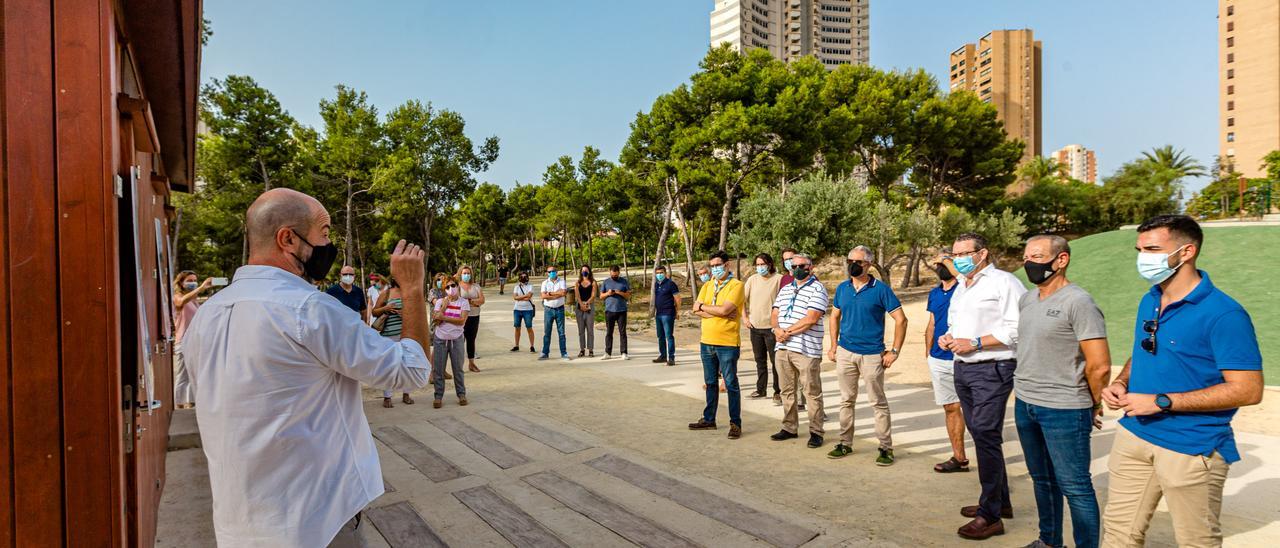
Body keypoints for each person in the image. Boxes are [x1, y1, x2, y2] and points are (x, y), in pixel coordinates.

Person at [182, 188, 430, 547]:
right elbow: (411, 371)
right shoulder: (310, 310)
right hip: (316, 521)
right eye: (325, 233)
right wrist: (412, 289)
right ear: (288, 239)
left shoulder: (206, 316)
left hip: (239, 524)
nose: (329, 246)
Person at [1100, 215, 1264, 548]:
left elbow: (1248, 389)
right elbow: (1145, 351)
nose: (1142, 257)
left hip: (1192, 448)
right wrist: (1122, 381)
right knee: (1118, 535)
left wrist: (1161, 401)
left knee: (1196, 541)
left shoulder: (1225, 314)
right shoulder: (1150, 299)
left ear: (1186, 251)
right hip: (1134, 436)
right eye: (1140, 249)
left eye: (1152, 249)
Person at [1011, 235, 1112, 548]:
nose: (1030, 262)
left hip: (1065, 408)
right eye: (1027, 256)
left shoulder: (1079, 302)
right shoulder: (1027, 299)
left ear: (1061, 260)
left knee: (1075, 486)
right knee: (1042, 479)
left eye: (1038, 256)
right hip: (1026, 403)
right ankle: (1049, 541)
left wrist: (1093, 404)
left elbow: (1100, 366)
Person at [938, 232, 1028, 541]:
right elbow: (955, 325)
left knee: (987, 436)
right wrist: (948, 337)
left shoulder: (1004, 283)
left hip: (993, 368)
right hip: (963, 368)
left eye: (965, 252)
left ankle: (989, 516)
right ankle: (999, 502)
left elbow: (1018, 328)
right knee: (981, 435)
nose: (959, 258)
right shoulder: (963, 286)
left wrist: (975, 342)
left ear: (983, 253)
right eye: (955, 253)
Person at [825, 246, 907, 465]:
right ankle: (845, 443)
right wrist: (834, 346)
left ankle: (885, 448)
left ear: (869, 264)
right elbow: (834, 317)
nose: (853, 264)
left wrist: (894, 351)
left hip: (872, 354)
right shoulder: (843, 288)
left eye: (858, 262)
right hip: (845, 352)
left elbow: (901, 319)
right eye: (850, 260)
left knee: (877, 402)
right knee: (846, 400)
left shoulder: (881, 290)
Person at [769, 252, 829, 449]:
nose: (797, 269)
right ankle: (789, 427)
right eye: (793, 266)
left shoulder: (818, 289)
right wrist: (776, 330)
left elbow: (811, 318)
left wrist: (786, 331)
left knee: (811, 392)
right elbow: (775, 312)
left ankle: (816, 431)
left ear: (810, 267)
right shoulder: (785, 289)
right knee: (787, 390)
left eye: (802, 266)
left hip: (805, 349)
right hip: (782, 347)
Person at [687, 250, 746, 439]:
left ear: (727, 265)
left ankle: (735, 423)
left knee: (730, 383)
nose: (715, 269)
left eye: (718, 265)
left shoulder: (736, 286)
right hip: (707, 342)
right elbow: (696, 308)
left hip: (727, 343)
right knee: (710, 382)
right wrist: (714, 311)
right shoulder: (708, 285)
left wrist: (705, 308)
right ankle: (709, 418)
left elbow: (726, 309)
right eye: (712, 266)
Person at [925, 254, 969, 473]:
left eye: (945, 264)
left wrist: (948, 260)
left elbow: (965, 278)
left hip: (963, 357)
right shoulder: (934, 293)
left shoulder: (964, 288)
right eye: (938, 265)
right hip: (938, 359)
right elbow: (932, 324)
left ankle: (991, 463)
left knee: (974, 412)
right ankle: (959, 458)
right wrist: (928, 354)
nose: (941, 267)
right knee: (951, 408)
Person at [743, 253, 783, 402]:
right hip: (755, 326)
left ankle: (778, 391)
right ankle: (761, 389)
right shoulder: (752, 280)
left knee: (775, 361)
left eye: (763, 264)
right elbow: (742, 300)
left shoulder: (778, 279)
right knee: (760, 360)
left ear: (770, 264)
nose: (760, 267)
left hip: (771, 328)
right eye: (758, 265)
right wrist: (745, 318)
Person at [372, 277, 416, 409]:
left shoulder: (409, 293)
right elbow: (374, 312)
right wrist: (386, 308)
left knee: (407, 365)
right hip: (388, 336)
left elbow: (415, 313)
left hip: (406, 334)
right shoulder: (386, 293)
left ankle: (406, 394)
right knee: (389, 366)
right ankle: (387, 396)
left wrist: (406, 314)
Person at [172, 270, 213, 409]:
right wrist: (201, 287)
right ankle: (179, 404)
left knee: (193, 373)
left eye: (194, 280)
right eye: (189, 280)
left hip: (194, 341)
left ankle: (190, 402)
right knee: (183, 374)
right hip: (182, 340)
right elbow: (181, 302)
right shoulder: (177, 297)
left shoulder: (194, 300)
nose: (193, 283)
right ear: (181, 283)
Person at [431, 274, 471, 408]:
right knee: (438, 369)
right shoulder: (439, 302)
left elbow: (461, 321)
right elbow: (436, 321)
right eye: (447, 287)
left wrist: (444, 317)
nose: (451, 288)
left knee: (458, 369)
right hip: (440, 340)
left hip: (456, 340)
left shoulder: (463, 302)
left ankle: (461, 394)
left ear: (457, 286)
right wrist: (444, 306)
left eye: (453, 285)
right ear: (444, 289)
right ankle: (438, 396)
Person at [538, 264, 570, 361]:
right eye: (549, 272)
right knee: (547, 332)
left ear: (556, 272)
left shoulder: (562, 281)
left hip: (560, 309)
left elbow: (564, 293)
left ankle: (564, 353)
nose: (551, 273)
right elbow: (543, 296)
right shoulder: (544, 283)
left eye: (553, 271)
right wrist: (557, 294)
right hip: (548, 310)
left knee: (561, 332)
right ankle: (545, 353)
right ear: (547, 273)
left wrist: (550, 293)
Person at [457, 265, 485, 372]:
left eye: (468, 273)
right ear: (460, 274)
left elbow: (482, 300)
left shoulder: (476, 286)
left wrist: (469, 302)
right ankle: (458, 366)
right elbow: (458, 302)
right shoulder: (457, 287)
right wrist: (474, 302)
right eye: (464, 273)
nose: (466, 275)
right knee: (460, 341)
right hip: (461, 317)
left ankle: (471, 363)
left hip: (474, 316)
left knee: (471, 340)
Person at [652, 265, 682, 366]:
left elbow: (677, 298)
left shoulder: (671, 284)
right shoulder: (656, 284)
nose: (659, 275)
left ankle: (671, 358)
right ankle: (663, 356)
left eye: (661, 273)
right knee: (660, 336)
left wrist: (677, 311)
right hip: (659, 313)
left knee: (669, 336)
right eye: (657, 273)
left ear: (665, 273)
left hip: (668, 313)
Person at [601, 265, 632, 360]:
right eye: (612, 274)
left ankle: (624, 352)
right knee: (609, 332)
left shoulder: (624, 281)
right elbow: (601, 296)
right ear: (610, 272)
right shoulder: (606, 282)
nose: (614, 276)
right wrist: (608, 293)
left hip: (621, 311)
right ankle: (608, 353)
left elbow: (628, 296)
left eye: (616, 274)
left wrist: (619, 292)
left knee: (622, 332)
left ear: (619, 272)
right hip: (609, 310)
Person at [574, 265, 598, 358]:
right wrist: (581, 304)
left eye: (586, 270)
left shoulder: (593, 282)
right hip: (579, 307)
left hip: (590, 306)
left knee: (590, 329)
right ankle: (582, 350)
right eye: (583, 270)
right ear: (581, 272)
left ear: (589, 271)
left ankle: (591, 350)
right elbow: (577, 295)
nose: (585, 272)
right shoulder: (578, 282)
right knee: (581, 330)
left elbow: (593, 295)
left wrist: (587, 303)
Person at [511, 271, 537, 353]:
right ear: (519, 278)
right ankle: (516, 345)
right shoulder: (516, 287)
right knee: (517, 328)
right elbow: (515, 297)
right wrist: (524, 297)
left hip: (528, 310)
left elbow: (529, 297)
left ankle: (532, 346)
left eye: (525, 276)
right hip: (517, 310)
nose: (524, 278)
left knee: (529, 327)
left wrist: (520, 297)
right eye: (522, 276)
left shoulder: (530, 286)